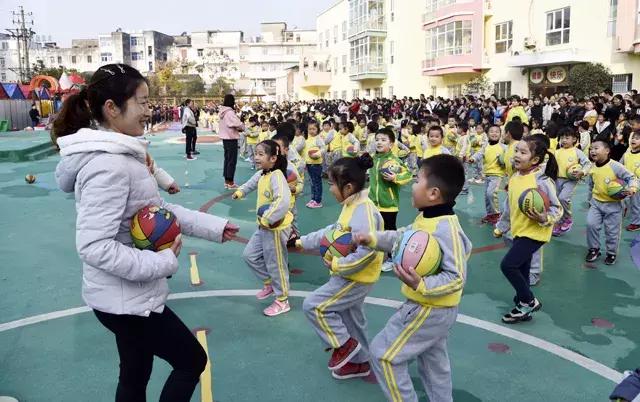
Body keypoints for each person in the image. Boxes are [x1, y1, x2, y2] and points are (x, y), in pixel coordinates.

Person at [51, 64, 239, 402]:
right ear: (112, 108)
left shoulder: (124, 156)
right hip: (124, 300)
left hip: (123, 296)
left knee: (136, 372)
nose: (148, 111)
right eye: (141, 102)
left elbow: (155, 214)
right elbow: (94, 246)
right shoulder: (109, 166)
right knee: (191, 360)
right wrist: (163, 263)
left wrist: (214, 226)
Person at [353, 154, 471, 402]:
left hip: (428, 308)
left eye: (417, 180)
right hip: (437, 310)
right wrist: (373, 239)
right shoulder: (427, 219)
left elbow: (456, 277)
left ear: (433, 193)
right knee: (434, 365)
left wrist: (422, 284)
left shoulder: (446, 229)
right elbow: (400, 238)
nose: (411, 185)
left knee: (384, 355)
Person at [296, 154, 384, 380]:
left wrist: (338, 265)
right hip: (351, 274)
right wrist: (302, 241)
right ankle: (361, 363)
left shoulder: (364, 211)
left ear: (348, 186)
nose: (331, 189)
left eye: (332, 185)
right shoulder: (351, 204)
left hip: (355, 277)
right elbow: (332, 232)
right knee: (352, 320)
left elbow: (367, 252)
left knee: (314, 305)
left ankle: (343, 346)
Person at [494, 136, 563, 323]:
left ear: (535, 160)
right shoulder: (515, 177)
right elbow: (509, 207)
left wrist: (545, 218)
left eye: (523, 152)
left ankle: (528, 300)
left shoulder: (542, 181)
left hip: (535, 232)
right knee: (522, 271)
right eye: (516, 150)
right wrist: (502, 226)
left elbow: (558, 209)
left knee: (508, 265)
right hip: (519, 231)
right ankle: (523, 309)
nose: (517, 155)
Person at [232, 140, 293, 317]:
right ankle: (269, 284)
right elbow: (250, 183)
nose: (256, 157)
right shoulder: (263, 174)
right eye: (256, 153)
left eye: (260, 154)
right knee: (249, 255)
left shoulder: (277, 176)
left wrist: (268, 218)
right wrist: (240, 192)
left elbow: (283, 201)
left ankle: (282, 301)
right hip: (264, 226)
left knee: (277, 264)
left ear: (273, 158)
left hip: (275, 227)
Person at [586, 138, 637, 265]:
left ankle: (611, 253)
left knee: (612, 231)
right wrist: (589, 200)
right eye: (591, 148)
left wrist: (632, 187)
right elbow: (591, 185)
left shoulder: (615, 166)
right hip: (596, 203)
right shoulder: (592, 167)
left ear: (607, 151)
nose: (592, 151)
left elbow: (631, 177)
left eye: (596, 148)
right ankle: (594, 249)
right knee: (591, 225)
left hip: (613, 205)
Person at [368, 127, 413, 272]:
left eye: (383, 140)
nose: (379, 143)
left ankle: (391, 258)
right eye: (377, 140)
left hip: (389, 205)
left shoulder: (393, 161)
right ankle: (376, 255)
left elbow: (408, 175)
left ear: (392, 144)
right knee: (375, 231)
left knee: (389, 232)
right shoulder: (373, 159)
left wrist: (395, 178)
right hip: (373, 203)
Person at [553, 127, 590, 236]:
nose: (564, 140)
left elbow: (587, 164)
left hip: (570, 180)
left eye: (567, 138)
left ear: (574, 139)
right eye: (562, 138)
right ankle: (559, 224)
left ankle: (568, 218)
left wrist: (582, 172)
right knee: (557, 202)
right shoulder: (557, 152)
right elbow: (551, 165)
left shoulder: (577, 152)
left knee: (563, 198)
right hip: (557, 180)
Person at [468, 124, 506, 224]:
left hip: (497, 175)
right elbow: (479, 154)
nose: (494, 133)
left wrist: (505, 162)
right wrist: (473, 158)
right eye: (492, 131)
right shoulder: (486, 146)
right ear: (488, 134)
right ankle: (490, 215)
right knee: (486, 195)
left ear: (500, 134)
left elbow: (508, 158)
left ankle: (496, 214)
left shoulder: (503, 147)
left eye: (497, 131)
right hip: (487, 175)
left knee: (491, 193)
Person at [218, 94, 245, 189]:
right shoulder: (229, 112)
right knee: (232, 161)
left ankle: (226, 180)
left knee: (227, 159)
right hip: (231, 138)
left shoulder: (222, 111)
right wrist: (242, 126)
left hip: (225, 138)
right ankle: (230, 182)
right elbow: (237, 124)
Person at [304, 120, 326, 208]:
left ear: (318, 129)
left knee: (317, 182)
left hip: (316, 164)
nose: (311, 131)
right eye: (310, 129)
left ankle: (318, 201)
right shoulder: (308, 138)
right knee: (312, 182)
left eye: (314, 129)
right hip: (309, 164)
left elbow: (324, 148)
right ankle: (313, 199)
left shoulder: (318, 138)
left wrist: (317, 154)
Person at [622, 130, 640, 231]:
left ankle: (636, 223)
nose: (634, 140)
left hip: (637, 183)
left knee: (635, 203)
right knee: (623, 198)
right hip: (627, 181)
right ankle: (624, 208)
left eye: (637, 139)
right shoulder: (627, 154)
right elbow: (620, 166)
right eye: (633, 137)